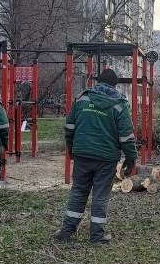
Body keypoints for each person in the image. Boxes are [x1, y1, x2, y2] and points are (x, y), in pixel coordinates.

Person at [54, 68, 137, 244]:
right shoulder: (119, 105)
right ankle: (97, 236)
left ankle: (67, 231)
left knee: (78, 191)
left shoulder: (82, 99)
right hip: (106, 158)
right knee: (100, 195)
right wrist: (131, 159)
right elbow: (126, 137)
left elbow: (69, 128)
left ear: (97, 82)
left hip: (82, 154)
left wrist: (71, 149)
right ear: (115, 85)